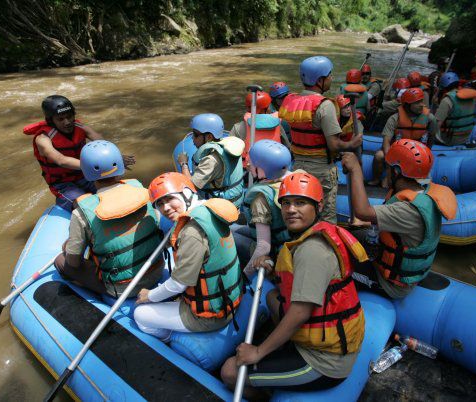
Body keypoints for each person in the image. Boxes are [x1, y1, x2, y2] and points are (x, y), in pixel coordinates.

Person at [220, 172, 366, 398]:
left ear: (317, 207)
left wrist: (258, 351)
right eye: (286, 203)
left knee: (230, 371)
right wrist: (270, 270)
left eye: (300, 203)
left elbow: (300, 312)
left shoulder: (313, 250)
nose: (290, 210)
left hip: (323, 361)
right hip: (319, 340)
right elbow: (291, 284)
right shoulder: (310, 235)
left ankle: (264, 394)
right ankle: (281, 350)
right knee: (271, 297)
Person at [341, 139, 457, 299]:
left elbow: (362, 211)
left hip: (391, 285)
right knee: (345, 235)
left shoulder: (409, 209)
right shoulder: (423, 193)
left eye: (388, 169)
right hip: (388, 257)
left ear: (396, 172)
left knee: (335, 262)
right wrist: (365, 223)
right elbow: (391, 223)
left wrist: (356, 170)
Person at [134, 172, 244, 340]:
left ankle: (168, 339)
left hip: (210, 316)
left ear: (186, 194)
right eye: (160, 203)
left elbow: (178, 285)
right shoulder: (208, 209)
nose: (165, 208)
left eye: (170, 199)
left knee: (140, 315)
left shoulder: (192, 232)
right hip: (228, 299)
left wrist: (148, 295)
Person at [54, 140, 162, 298]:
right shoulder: (142, 190)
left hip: (123, 288)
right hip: (157, 271)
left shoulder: (82, 212)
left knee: (61, 261)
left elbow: (73, 263)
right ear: (119, 167)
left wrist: (69, 247)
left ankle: (94, 293)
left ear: (86, 172)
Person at [279, 56, 363, 224]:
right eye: (329, 75)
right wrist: (351, 144)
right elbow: (334, 144)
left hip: (297, 167)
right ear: (320, 80)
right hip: (321, 170)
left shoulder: (292, 100)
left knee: (304, 217)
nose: (331, 78)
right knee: (326, 217)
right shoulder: (325, 105)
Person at [23, 95, 135, 211]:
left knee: (114, 190)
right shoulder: (42, 138)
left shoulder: (80, 127)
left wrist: (114, 158)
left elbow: (101, 141)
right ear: (51, 121)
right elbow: (61, 160)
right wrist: (94, 166)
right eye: (60, 119)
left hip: (86, 176)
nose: (67, 122)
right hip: (63, 183)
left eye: (69, 116)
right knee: (84, 206)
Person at [235, 140, 293, 271]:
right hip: (286, 242)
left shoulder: (259, 199)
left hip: (274, 252)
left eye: (253, 163)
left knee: (229, 237)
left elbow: (264, 247)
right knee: (234, 229)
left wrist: (247, 274)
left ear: (264, 170)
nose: (248, 164)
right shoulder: (291, 179)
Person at [369, 88, 439, 188]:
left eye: (421, 101)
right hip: (397, 151)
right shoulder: (394, 118)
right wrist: (389, 169)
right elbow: (386, 142)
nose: (421, 105)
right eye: (416, 102)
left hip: (416, 153)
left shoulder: (430, 119)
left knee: (424, 181)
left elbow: (431, 137)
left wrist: (426, 154)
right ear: (407, 104)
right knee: (379, 156)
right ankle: (376, 179)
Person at [177, 113, 245, 207]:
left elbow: (190, 186)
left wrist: (183, 164)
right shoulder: (230, 147)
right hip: (237, 199)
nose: (192, 138)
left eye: (196, 135)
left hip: (223, 207)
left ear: (209, 137)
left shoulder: (211, 160)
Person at [229, 90, 289, 166]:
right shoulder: (278, 124)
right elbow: (286, 147)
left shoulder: (238, 127)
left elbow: (229, 150)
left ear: (248, 108)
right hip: (274, 166)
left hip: (250, 167)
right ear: (268, 107)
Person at [434, 72, 476, 146]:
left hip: (451, 139)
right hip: (467, 136)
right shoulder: (471, 98)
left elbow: (436, 124)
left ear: (444, 87)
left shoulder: (447, 100)